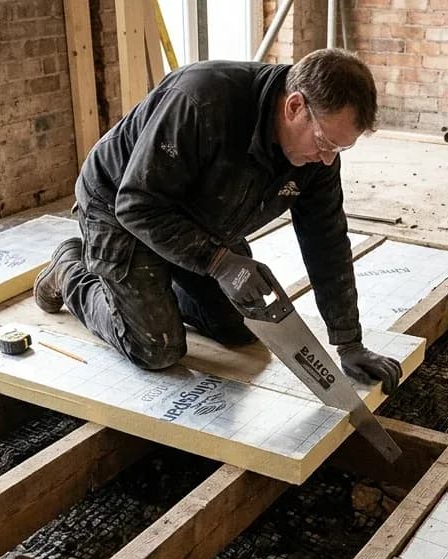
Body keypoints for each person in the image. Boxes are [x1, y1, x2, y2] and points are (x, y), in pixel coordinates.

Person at [33, 48, 402, 394]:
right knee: (157, 347)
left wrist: (349, 341)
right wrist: (218, 261)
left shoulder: (318, 158)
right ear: (294, 107)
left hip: (194, 220)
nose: (327, 159)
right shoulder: (201, 101)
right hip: (119, 206)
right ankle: (69, 269)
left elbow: (328, 242)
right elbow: (137, 204)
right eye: (325, 143)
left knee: (242, 326)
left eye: (339, 149)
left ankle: (152, 285)